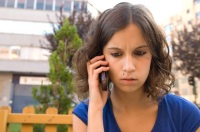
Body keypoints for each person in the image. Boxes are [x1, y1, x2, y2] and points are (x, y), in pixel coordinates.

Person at [72, 2, 200, 132]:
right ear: (99, 58)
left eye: (140, 53)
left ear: (154, 56)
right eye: (116, 54)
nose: (128, 67)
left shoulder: (185, 114)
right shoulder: (85, 114)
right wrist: (96, 110)